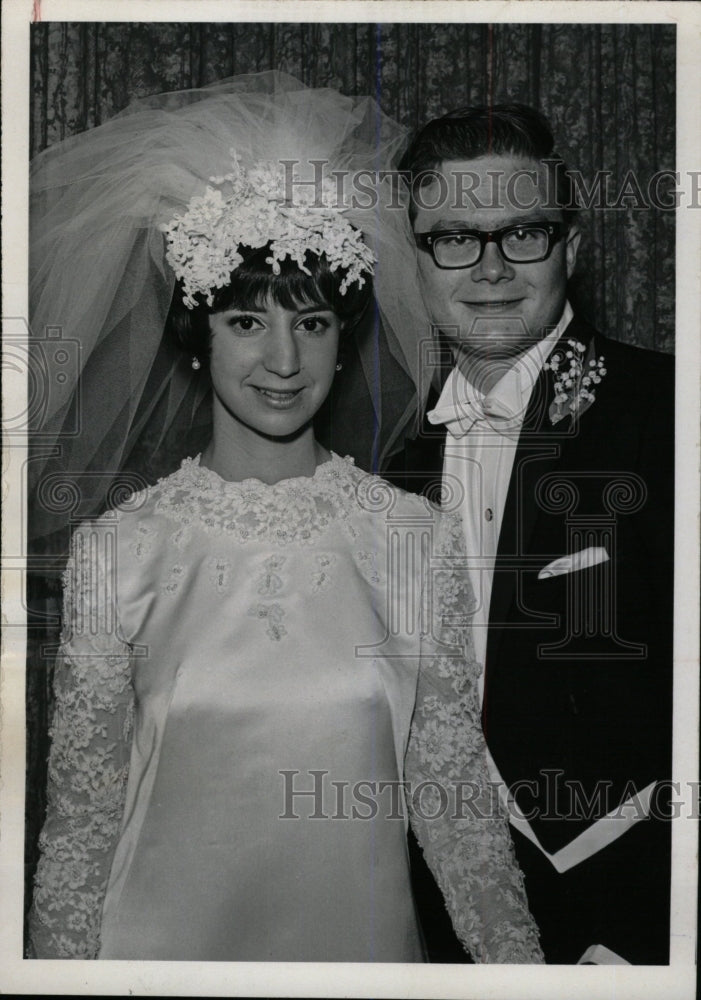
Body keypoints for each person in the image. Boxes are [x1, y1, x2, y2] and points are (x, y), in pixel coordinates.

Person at [27, 75, 544, 963]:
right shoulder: (117, 552)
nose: (281, 358)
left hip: (364, 953)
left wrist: (520, 973)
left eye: (309, 321)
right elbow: (78, 835)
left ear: (344, 337)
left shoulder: (415, 541)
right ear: (199, 339)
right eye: (244, 321)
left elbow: (453, 806)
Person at [385, 103, 674, 965]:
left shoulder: (668, 413)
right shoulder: (389, 465)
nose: (489, 268)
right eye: (453, 238)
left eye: (523, 234)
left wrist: (643, 932)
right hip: (429, 917)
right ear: (414, 261)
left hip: (631, 909)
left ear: (572, 248)